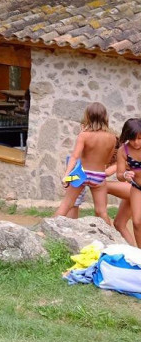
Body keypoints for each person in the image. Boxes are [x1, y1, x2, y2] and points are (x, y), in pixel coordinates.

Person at [56, 103, 116, 219]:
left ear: (87, 116)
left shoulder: (84, 135)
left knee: (66, 205)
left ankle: (47, 229)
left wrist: (66, 176)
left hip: (81, 174)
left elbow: (74, 157)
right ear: (105, 117)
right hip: (99, 175)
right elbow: (107, 160)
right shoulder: (112, 138)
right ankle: (109, 231)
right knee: (101, 212)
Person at [117, 117, 141, 246]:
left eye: (140, 138)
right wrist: (125, 175)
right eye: (132, 139)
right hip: (137, 188)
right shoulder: (123, 151)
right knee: (137, 222)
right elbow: (119, 175)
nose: (136, 142)